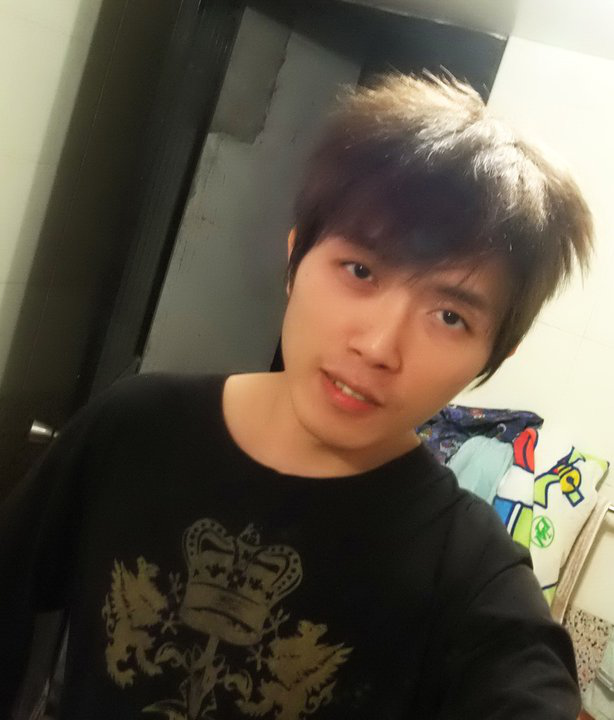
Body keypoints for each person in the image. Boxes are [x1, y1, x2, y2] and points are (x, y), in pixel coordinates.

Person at [0, 73, 593, 720]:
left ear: (495, 354)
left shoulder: (469, 573)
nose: (379, 346)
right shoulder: (136, 427)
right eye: (360, 270)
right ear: (295, 259)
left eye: (450, 316)